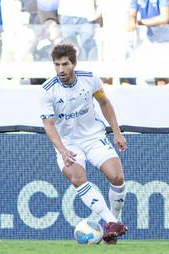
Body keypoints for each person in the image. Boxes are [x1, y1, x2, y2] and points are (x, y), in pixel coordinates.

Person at [40, 44, 128, 244]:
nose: (61, 69)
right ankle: (112, 223)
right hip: (68, 143)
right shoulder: (47, 90)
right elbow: (49, 124)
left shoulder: (90, 79)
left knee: (117, 176)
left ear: (74, 64)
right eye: (57, 65)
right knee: (77, 178)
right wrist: (62, 150)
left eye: (65, 64)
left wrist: (117, 132)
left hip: (93, 136)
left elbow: (104, 102)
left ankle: (112, 221)